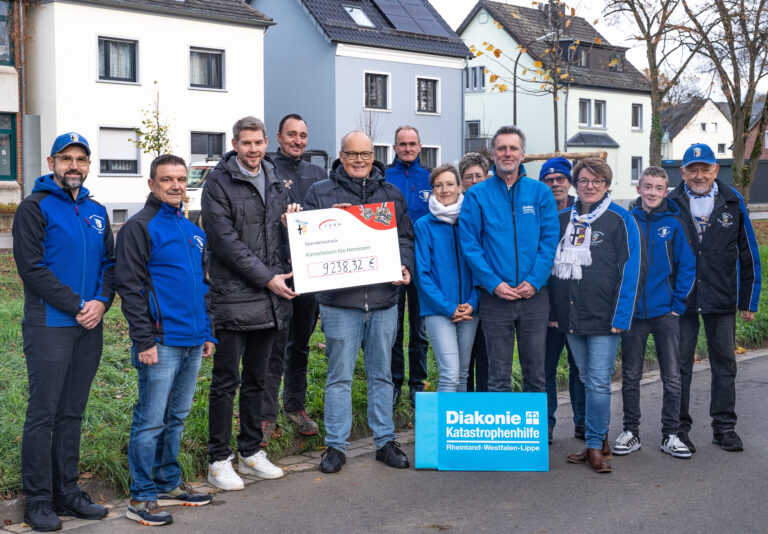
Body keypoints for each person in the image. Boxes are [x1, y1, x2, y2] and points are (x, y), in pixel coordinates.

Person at [12, 132, 114, 531]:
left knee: (72, 412)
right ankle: (37, 500)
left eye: (81, 159)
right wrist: (77, 305)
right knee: (44, 413)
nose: (74, 165)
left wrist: (102, 302)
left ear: (89, 165)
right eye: (66, 158)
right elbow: (32, 268)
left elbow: (111, 263)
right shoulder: (34, 208)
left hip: (90, 325)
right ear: (53, 162)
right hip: (50, 325)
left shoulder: (97, 210)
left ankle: (67, 492)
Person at [304, 130, 414, 474]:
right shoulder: (320, 193)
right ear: (341, 155)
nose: (359, 161)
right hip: (339, 302)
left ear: (373, 155)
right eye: (352, 155)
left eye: (365, 154)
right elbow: (304, 239)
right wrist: (329, 224)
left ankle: (384, 441)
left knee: (382, 375)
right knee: (339, 377)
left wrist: (404, 265)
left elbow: (406, 237)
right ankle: (336, 446)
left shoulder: (390, 193)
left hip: (383, 299)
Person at [116, 155, 216, 526]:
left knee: (176, 417)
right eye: (167, 180)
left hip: (193, 341)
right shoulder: (139, 227)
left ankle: (168, 481)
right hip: (159, 341)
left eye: (180, 179)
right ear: (152, 184)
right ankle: (141, 497)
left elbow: (204, 287)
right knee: (150, 421)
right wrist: (143, 340)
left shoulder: (193, 230)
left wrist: (208, 333)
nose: (175, 185)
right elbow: (129, 288)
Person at [203, 117, 299, 491]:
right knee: (226, 382)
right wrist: (268, 278)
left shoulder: (274, 178)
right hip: (233, 298)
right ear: (235, 144)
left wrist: (293, 226)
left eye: (258, 143)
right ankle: (217, 459)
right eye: (246, 143)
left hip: (270, 299)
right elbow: (226, 244)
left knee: (259, 380)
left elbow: (274, 238)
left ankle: (250, 451)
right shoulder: (218, 183)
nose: (254, 149)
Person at [549, 157, 642, 473]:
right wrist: (554, 311)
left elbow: (631, 269)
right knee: (587, 379)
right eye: (584, 181)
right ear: (575, 184)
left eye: (597, 181)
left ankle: (592, 447)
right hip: (571, 316)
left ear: (606, 186)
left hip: (605, 316)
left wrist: (621, 316)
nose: (590, 186)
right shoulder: (562, 218)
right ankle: (598, 440)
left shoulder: (620, 219)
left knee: (599, 382)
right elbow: (550, 269)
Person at [668, 143, 761, 453]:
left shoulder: (733, 202)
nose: (698, 174)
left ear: (715, 170)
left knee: (724, 364)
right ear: (682, 171)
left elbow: (749, 251)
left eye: (704, 168)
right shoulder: (671, 203)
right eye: (692, 169)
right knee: (679, 365)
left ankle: (724, 428)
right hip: (682, 299)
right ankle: (679, 429)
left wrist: (748, 298)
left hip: (721, 296)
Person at [459, 126, 559, 394]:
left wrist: (535, 280)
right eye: (501, 148)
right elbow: (470, 245)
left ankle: (537, 435)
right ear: (492, 153)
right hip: (495, 298)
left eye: (513, 148)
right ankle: (500, 436)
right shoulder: (477, 195)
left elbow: (549, 242)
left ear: (522, 154)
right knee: (498, 376)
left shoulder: (540, 193)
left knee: (535, 373)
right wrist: (493, 283)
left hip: (534, 297)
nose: (507, 153)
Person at [612, 166, 695, 460]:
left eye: (659, 188)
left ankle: (671, 434)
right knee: (631, 375)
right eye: (647, 187)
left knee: (672, 376)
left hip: (665, 313)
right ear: (638, 189)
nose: (652, 193)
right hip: (633, 314)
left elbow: (687, 266)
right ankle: (631, 431)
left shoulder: (673, 224)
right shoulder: (626, 221)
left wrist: (677, 305)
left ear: (666, 191)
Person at [260, 114, 326, 444]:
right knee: (273, 345)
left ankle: (295, 406)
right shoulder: (268, 171)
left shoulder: (317, 173)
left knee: (300, 343)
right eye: (291, 135)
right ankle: (265, 413)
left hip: (309, 272)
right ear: (279, 137)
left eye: (302, 135)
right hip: (277, 271)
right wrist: (280, 220)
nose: (297, 140)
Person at [414, 164, 478, 391]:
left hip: (470, 308)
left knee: (462, 374)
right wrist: (448, 307)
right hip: (438, 310)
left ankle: (458, 427)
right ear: (432, 190)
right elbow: (422, 275)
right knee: (450, 373)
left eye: (450, 184)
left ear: (460, 187)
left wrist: (473, 302)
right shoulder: (423, 226)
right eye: (438, 185)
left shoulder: (472, 221)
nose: (445, 189)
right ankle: (443, 427)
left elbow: (482, 266)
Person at [539, 157, 586, 443]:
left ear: (569, 181)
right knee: (545, 368)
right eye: (549, 179)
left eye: (560, 179)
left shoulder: (582, 213)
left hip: (578, 306)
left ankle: (582, 422)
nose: (555, 183)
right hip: (547, 306)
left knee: (579, 367)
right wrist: (548, 307)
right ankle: (546, 424)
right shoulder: (538, 213)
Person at [385, 125, 431, 408]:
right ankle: (394, 382)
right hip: (391, 258)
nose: (407, 148)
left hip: (423, 260)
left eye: (412, 144)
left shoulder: (430, 178)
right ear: (395, 147)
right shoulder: (383, 178)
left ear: (419, 146)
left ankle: (418, 383)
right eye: (402, 144)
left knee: (419, 328)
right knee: (393, 328)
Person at [458, 153, 490, 392]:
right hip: (462, 294)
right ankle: (467, 415)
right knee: (463, 362)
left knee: (487, 357)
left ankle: (486, 416)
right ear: (461, 182)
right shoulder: (453, 213)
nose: (474, 181)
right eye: (469, 177)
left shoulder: (494, 208)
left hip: (490, 292)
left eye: (479, 176)